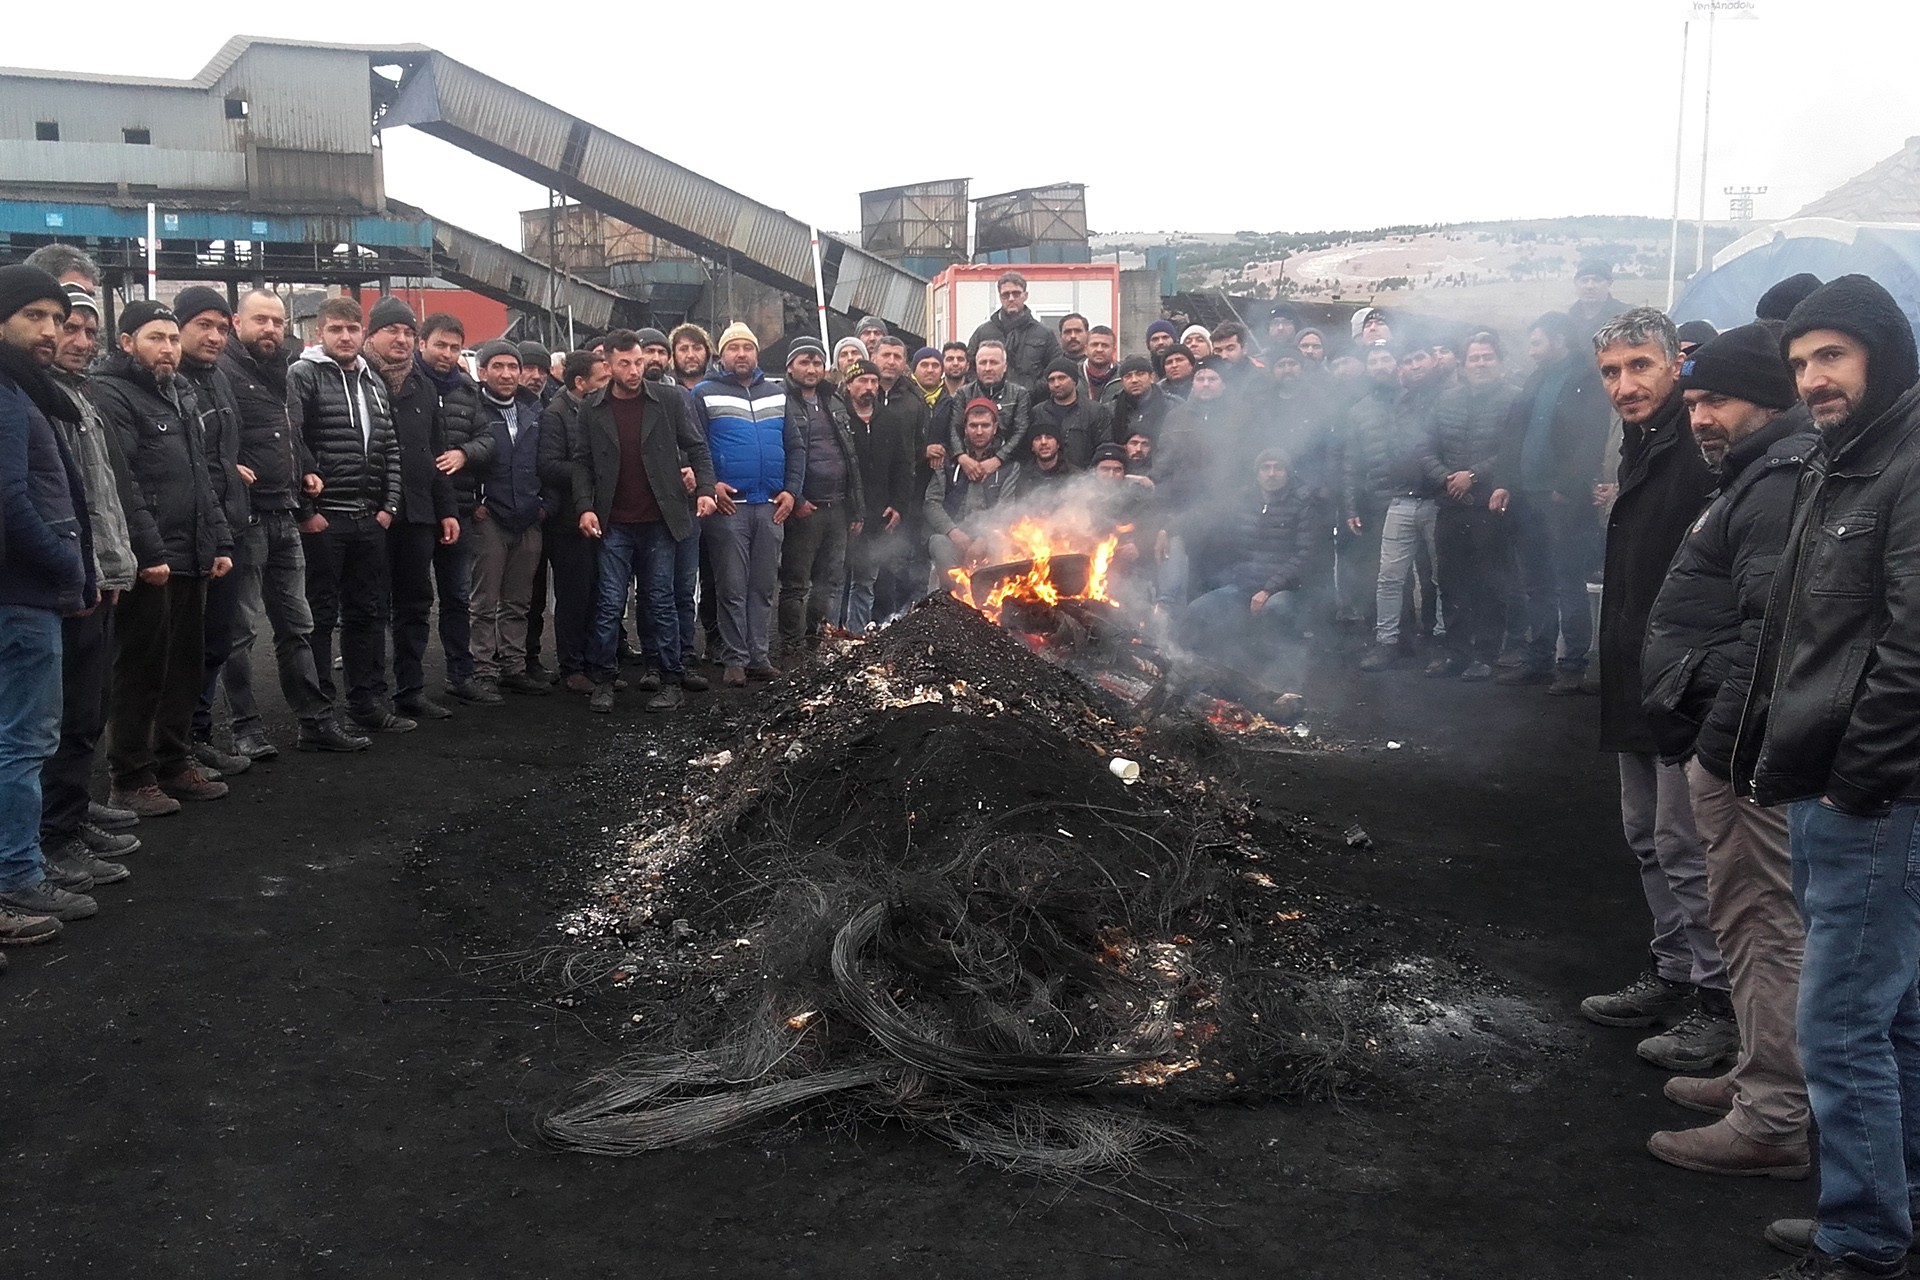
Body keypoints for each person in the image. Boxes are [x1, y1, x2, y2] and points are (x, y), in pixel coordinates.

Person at [1743, 276, 1920, 1278]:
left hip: (1875, 790)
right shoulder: (1841, 460)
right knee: (1891, 1012)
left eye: (1833, 357)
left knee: (1843, 1017)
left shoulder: (1907, 462)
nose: (1813, 378)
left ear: (1882, 355)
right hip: (1839, 779)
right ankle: (1895, 1203)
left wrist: (1858, 774)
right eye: (1802, 361)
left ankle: (1862, 1238)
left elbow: (1914, 644)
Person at [1638, 324, 1814, 1180]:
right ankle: (1759, 1077)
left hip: (1742, 751)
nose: (1700, 415)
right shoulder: (1755, 474)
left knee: (1762, 924)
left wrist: (1717, 749)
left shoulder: (1776, 484)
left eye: (1717, 400)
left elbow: (1769, 635)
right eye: (1696, 399)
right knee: (1750, 922)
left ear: (1769, 402)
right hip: (1732, 740)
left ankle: (1773, 1116)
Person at [1577, 308, 1732, 1074]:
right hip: (1635, 672)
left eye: (1640, 366)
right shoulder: (1642, 444)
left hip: (1684, 682)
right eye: (1611, 371)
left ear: (1676, 364)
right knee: (1647, 838)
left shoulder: (1702, 447)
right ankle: (1673, 971)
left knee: (1686, 845)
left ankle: (1720, 1004)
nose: (1625, 385)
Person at [92, 301, 235, 811]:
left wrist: (218, 540)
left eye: (173, 339)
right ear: (127, 342)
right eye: (156, 338)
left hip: (192, 553)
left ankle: (174, 763)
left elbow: (201, 477)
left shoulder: (179, 393)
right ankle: (130, 778)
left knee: (184, 667)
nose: (169, 349)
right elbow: (124, 482)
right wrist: (148, 552)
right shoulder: (112, 393)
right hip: (154, 562)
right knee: (141, 670)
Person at [217, 291, 364, 752]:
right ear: (237, 321)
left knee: (297, 626)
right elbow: (214, 437)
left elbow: (290, 433)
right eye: (260, 320)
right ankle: (246, 728)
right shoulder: (221, 372)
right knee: (240, 632)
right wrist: (229, 468)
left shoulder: (281, 370)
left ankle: (315, 722)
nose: (270, 329)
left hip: (284, 512)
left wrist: (308, 468)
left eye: (277, 322)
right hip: (246, 518)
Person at [0, 265, 101, 931]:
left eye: (55, 319)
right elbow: (9, 501)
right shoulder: (7, 398)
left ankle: (23, 861)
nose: (50, 330)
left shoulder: (20, 390)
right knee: (24, 740)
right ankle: (16, 878)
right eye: (34, 316)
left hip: (28, 592)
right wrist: (67, 564)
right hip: (23, 596)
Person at [38, 285, 142, 883]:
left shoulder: (82, 397)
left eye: (84, 331)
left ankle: (71, 818)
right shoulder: (41, 401)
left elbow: (106, 494)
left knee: (87, 709)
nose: (75, 341)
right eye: (65, 327)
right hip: (67, 581)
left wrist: (116, 561)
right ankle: (54, 836)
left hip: (100, 574)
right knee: (57, 718)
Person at [574, 330, 716, 713]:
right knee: (609, 602)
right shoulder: (593, 406)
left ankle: (670, 679)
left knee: (661, 600)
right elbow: (582, 462)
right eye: (625, 364)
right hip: (613, 520)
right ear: (608, 365)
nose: (634, 370)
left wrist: (704, 488)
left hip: (660, 518)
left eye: (638, 362)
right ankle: (604, 679)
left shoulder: (669, 399)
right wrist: (585, 507)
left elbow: (697, 445)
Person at [289, 297, 411, 734]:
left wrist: (388, 508)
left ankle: (366, 702)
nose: (345, 337)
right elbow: (291, 443)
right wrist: (307, 511)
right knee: (319, 618)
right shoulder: (303, 376)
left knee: (368, 613)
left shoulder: (372, 381)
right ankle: (320, 717)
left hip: (368, 520)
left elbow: (391, 448)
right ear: (319, 333)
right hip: (325, 520)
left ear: (363, 334)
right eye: (336, 329)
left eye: (352, 329)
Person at [1488, 312, 1615, 691]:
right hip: (1527, 495)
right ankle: (1539, 659)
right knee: (1536, 582)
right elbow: (1515, 434)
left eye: (1536, 343)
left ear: (1558, 339)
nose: (1531, 351)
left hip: (1563, 501)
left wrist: (1568, 485)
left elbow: (1589, 440)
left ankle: (1573, 665)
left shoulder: (1585, 380)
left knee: (1567, 581)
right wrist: (1505, 482)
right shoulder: (1535, 378)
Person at [169, 288, 256, 777]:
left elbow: (219, 452)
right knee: (181, 648)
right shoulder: (170, 382)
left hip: (228, 526)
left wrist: (231, 471)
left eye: (222, 327)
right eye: (204, 324)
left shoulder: (219, 380)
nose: (215, 336)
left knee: (215, 640)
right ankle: (172, 747)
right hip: (185, 536)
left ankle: (196, 737)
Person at [361, 297, 460, 721]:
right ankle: (369, 695)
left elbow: (435, 453)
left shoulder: (423, 386)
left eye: (407, 332)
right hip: (371, 513)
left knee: (415, 604)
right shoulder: (359, 379)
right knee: (368, 606)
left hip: (418, 513)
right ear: (372, 335)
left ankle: (411, 689)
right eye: (392, 331)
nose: (401, 339)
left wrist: (448, 510)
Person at [691, 323, 800, 685]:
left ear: (757, 353)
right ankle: (734, 658)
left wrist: (792, 490)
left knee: (764, 586)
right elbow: (695, 446)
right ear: (721, 355)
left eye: (747, 347)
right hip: (729, 506)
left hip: (771, 504)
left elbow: (795, 447)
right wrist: (709, 485)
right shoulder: (705, 394)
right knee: (732, 586)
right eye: (733, 348)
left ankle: (759, 656)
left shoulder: (778, 394)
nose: (741, 354)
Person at [1183, 450, 1318, 692]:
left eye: (1278, 467)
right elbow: (1226, 545)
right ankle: (1201, 677)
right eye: (1265, 468)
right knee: (1197, 611)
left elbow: (1305, 556)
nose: (1272, 473)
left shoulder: (1302, 503)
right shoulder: (1245, 500)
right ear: (1257, 474)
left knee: (1276, 610)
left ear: (1288, 473)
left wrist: (1268, 590)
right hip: (1243, 584)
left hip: (1285, 589)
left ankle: (1278, 685)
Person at [413, 313, 496, 706]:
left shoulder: (466, 389)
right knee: (411, 601)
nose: (446, 353)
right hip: (413, 510)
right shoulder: (405, 384)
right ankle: (407, 687)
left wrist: (465, 453)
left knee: (457, 597)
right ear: (422, 343)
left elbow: (487, 438)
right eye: (439, 345)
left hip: (459, 508)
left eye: (453, 346)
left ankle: (461, 675)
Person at [1426, 332, 1518, 680]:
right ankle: (1456, 653)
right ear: (1463, 365)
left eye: (1486, 357)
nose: (1480, 364)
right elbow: (1424, 447)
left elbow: (1512, 449)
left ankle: (1486, 654)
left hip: (1490, 506)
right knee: (1450, 581)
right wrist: (1448, 478)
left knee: (1488, 582)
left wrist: (1474, 476)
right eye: (1474, 358)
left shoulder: (1513, 400)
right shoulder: (1444, 400)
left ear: (1499, 362)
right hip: (1450, 503)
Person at [468, 340, 550, 698]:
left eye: (512, 367)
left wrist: (545, 505)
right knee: (484, 601)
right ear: (482, 371)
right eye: (497, 366)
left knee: (519, 600)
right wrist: (472, 502)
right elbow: (457, 455)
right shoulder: (472, 409)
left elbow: (551, 461)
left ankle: (513, 667)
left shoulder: (536, 411)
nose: (506, 374)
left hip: (529, 517)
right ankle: (483, 670)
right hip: (490, 517)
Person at [777, 343, 865, 660]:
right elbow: (780, 453)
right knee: (796, 583)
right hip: (804, 508)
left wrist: (856, 509)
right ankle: (791, 645)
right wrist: (796, 497)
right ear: (790, 367)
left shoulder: (835, 400)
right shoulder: (781, 402)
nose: (812, 369)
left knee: (829, 581)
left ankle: (815, 640)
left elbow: (850, 457)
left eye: (818, 363)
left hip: (838, 505)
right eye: (805, 362)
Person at [540, 349, 610, 694]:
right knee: (573, 596)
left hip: (601, 515)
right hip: (568, 523)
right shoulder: (556, 415)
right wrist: (593, 474)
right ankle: (572, 666)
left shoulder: (598, 410)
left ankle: (595, 659)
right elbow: (549, 465)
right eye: (602, 379)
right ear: (580, 383)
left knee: (600, 592)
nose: (607, 385)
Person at [849, 340, 918, 629]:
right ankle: (833, 634)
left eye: (873, 381)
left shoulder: (890, 419)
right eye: (862, 380)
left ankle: (858, 637)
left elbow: (904, 465)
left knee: (868, 580)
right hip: (846, 513)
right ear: (849, 384)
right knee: (837, 581)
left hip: (880, 513)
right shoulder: (841, 418)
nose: (869, 386)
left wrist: (899, 505)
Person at [926, 398, 1021, 580]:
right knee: (938, 542)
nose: (979, 431)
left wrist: (984, 539)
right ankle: (952, 599)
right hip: (955, 533)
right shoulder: (948, 461)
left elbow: (1006, 508)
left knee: (1000, 542)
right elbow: (931, 502)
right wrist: (953, 532)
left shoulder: (1009, 466)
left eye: (985, 426)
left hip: (990, 537)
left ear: (995, 428)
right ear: (965, 428)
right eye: (973, 426)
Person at [934, 340, 1032, 473]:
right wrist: (961, 457)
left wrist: (998, 459)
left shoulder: (1019, 394)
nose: (987, 368)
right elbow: (954, 427)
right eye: (982, 362)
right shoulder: (963, 393)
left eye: (994, 362)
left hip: (1009, 467)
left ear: (1005, 366)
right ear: (976, 365)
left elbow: (1021, 431)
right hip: (968, 465)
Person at [968, 271, 1062, 388]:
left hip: (1032, 402)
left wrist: (1032, 391)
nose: (1011, 298)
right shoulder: (983, 332)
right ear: (1000, 297)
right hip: (990, 402)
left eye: (1016, 293)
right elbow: (969, 367)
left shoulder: (1044, 334)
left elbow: (1056, 368)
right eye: (1005, 295)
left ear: (1025, 295)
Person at [1033, 356, 1110, 469]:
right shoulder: (1038, 413)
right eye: (1051, 380)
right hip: (1045, 481)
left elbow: (1104, 450)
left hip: (1084, 481)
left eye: (1062, 378)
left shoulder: (1095, 412)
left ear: (1074, 380)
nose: (1057, 384)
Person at [1110, 355, 1171, 448]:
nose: (1134, 380)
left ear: (1152, 377)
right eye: (1128, 376)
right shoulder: (1111, 410)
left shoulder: (1172, 406)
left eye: (1140, 374)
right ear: (1122, 382)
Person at [1568, 259, 1626, 336]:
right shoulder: (1567, 318)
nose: (1590, 286)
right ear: (1575, 283)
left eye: (1597, 280)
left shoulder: (1626, 317)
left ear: (1610, 283)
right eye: (1584, 280)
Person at [1083, 325, 1121, 402]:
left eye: (1105, 345)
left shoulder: (1123, 377)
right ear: (1085, 349)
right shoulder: (1074, 376)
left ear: (1114, 350)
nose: (1099, 349)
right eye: (1094, 345)